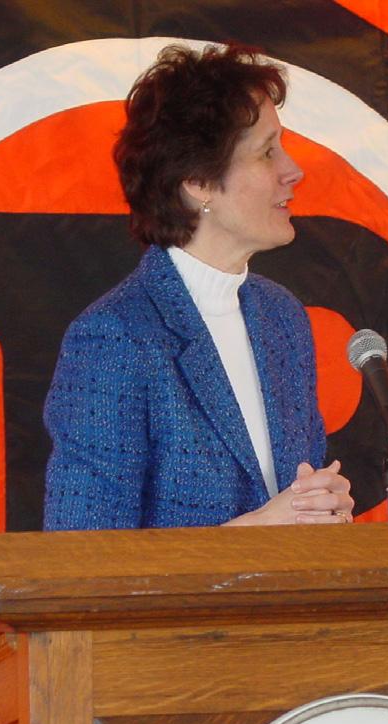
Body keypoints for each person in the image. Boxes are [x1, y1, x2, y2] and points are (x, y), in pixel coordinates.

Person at [43, 43, 353, 530]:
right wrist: (253, 535)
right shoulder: (115, 336)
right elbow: (81, 558)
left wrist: (323, 511)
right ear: (198, 182)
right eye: (267, 152)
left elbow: (290, 514)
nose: (293, 171)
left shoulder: (282, 316)